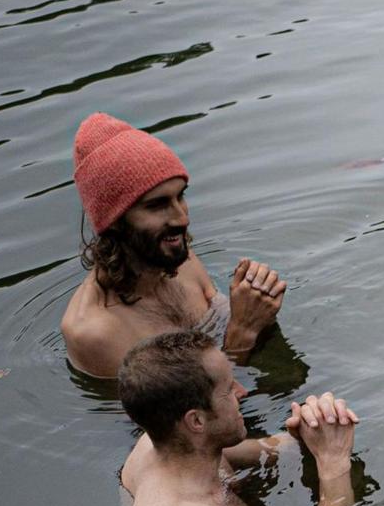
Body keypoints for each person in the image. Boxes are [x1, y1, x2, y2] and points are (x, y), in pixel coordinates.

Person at [61, 114, 287, 380]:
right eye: (157, 205)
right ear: (114, 222)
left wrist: (256, 305)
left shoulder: (174, 256)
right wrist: (243, 331)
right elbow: (181, 418)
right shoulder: (96, 332)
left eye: (181, 196)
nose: (182, 218)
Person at [116, 330, 361, 506]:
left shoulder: (172, 442)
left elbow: (269, 449)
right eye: (228, 389)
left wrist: (314, 427)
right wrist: (333, 461)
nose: (242, 393)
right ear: (197, 421)